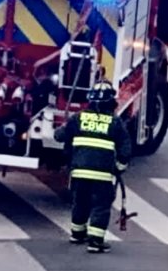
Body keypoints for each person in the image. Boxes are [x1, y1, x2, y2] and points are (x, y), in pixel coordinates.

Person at [55, 81, 131, 253]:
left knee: (80, 202)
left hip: (79, 173)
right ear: (111, 102)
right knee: (101, 205)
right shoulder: (115, 123)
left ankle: (77, 234)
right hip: (103, 176)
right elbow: (125, 149)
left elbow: (59, 136)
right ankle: (96, 242)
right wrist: (120, 167)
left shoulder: (78, 118)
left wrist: (64, 129)